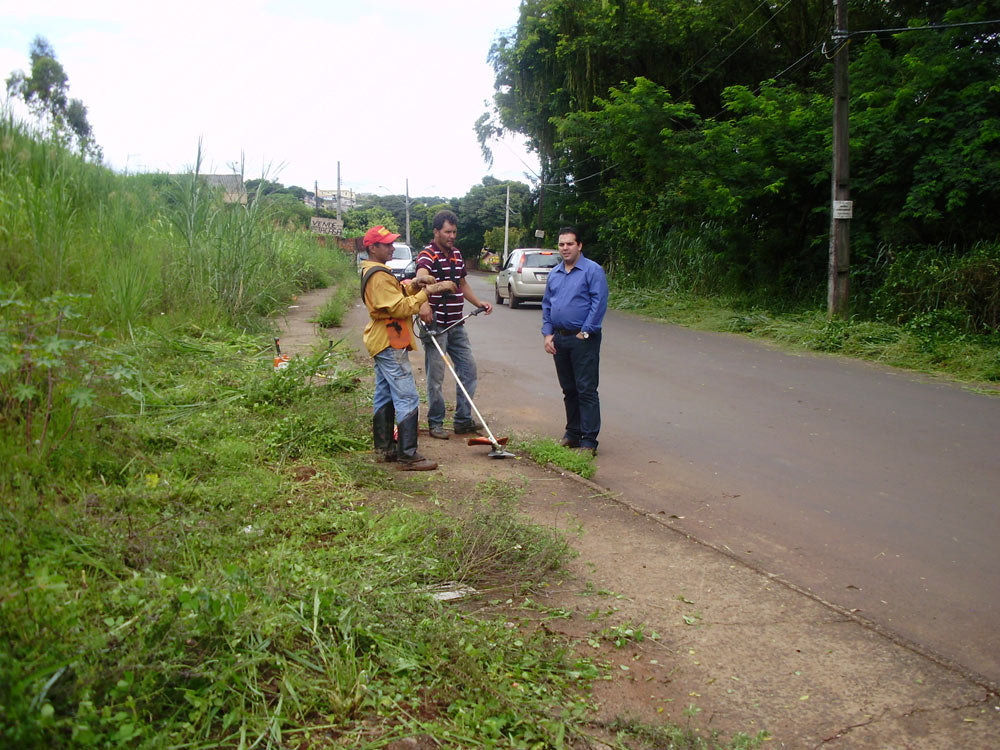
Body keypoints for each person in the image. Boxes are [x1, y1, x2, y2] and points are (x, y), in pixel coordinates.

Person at [360, 225, 457, 470]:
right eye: (387, 244)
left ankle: (385, 448)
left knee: (384, 394)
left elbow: (397, 295)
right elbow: (399, 308)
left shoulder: (377, 272)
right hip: (388, 341)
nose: (392, 248)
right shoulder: (378, 275)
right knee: (407, 396)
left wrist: (415, 284)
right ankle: (408, 454)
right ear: (373, 248)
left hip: (386, 339)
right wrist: (429, 292)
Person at [415, 210, 493, 439]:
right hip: (436, 325)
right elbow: (421, 277)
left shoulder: (457, 254)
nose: (451, 236)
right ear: (436, 231)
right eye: (447, 232)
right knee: (436, 377)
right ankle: (436, 422)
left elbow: (462, 283)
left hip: (457, 324)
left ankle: (462, 420)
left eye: (454, 232)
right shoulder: (427, 255)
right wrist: (423, 304)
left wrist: (479, 302)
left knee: (468, 370)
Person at [541, 227, 608, 456]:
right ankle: (572, 433)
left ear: (579, 246)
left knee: (586, 389)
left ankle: (589, 441)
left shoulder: (592, 270)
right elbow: (547, 305)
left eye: (569, 244)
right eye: (561, 244)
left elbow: (598, 303)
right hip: (560, 338)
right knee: (569, 389)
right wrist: (548, 334)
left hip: (583, 339)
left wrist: (586, 332)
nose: (565, 248)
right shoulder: (556, 273)